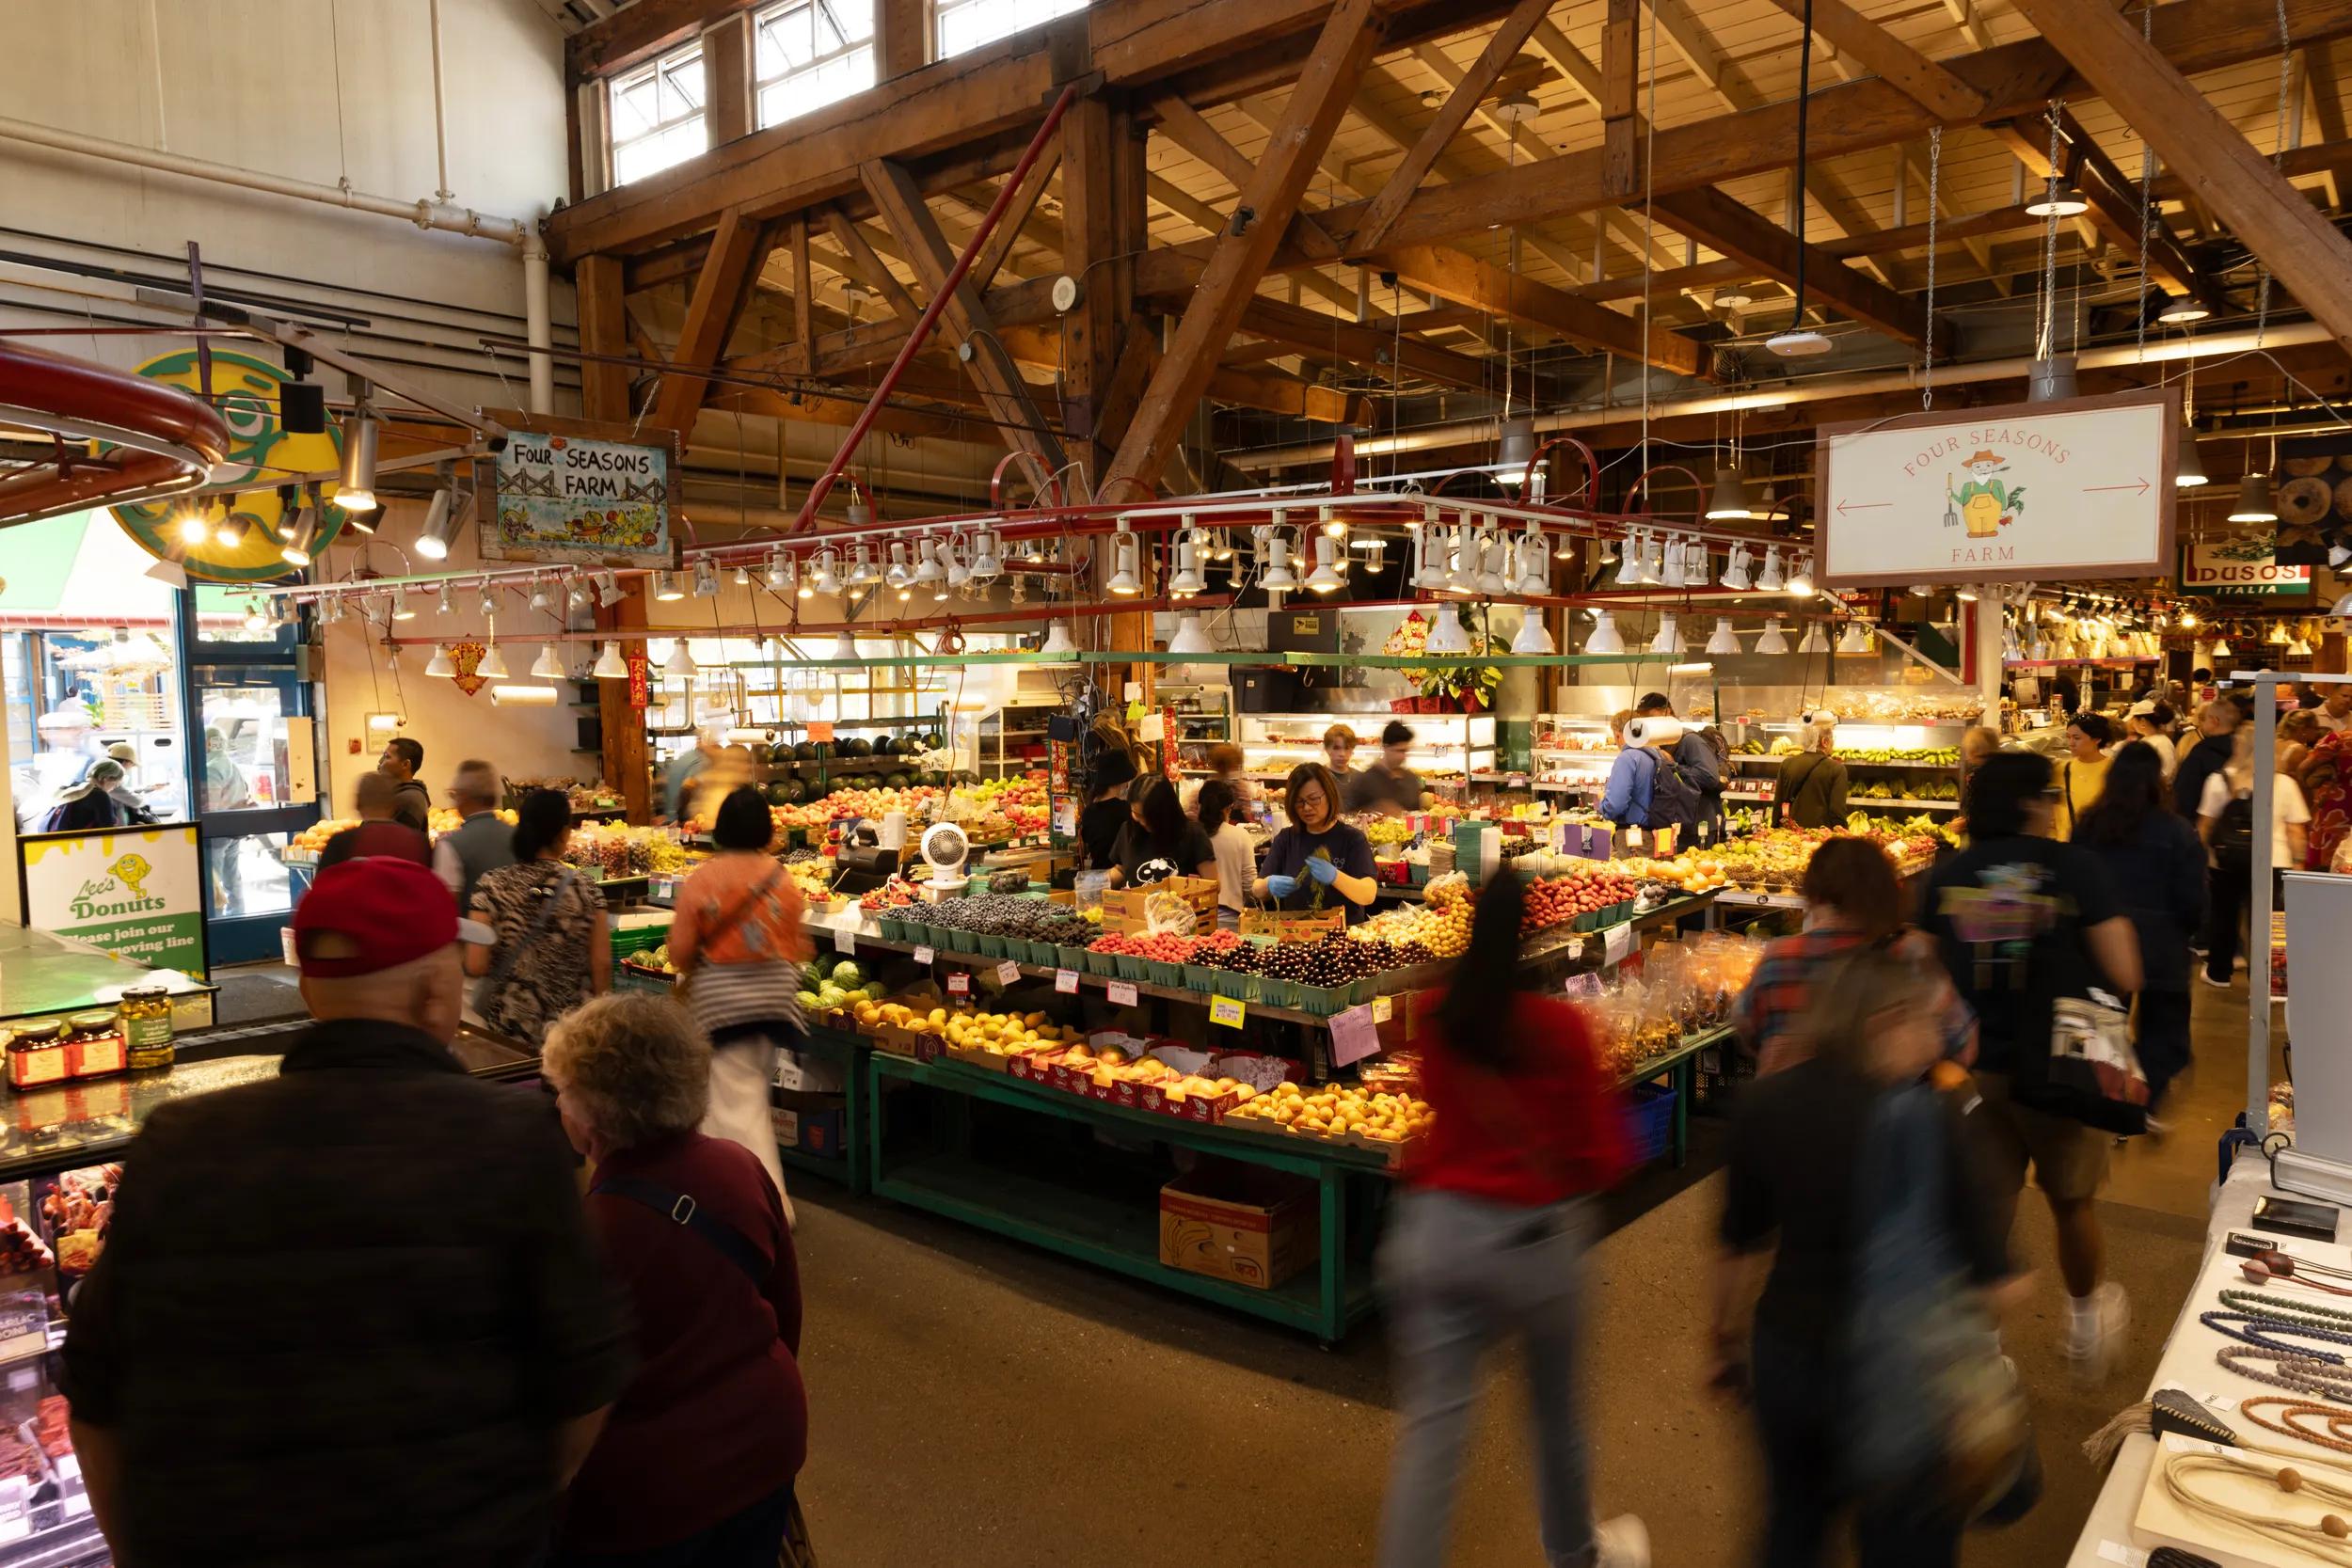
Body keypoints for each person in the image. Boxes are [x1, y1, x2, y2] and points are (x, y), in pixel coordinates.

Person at [59, 857, 630, 1568]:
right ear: (434, 994)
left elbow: (95, 1398)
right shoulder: (513, 1143)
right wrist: (501, 1511)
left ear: (307, 988)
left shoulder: (178, 1144)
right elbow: (584, 1382)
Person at [1713, 947, 2017, 1568]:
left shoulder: (1766, 1103)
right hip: (1904, 1368)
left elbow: (1736, 1243)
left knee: (1792, 1526)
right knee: (1907, 1543)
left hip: (1789, 1353)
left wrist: (1723, 1338)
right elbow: (2000, 1282)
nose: (1936, 1039)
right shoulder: (1935, 1115)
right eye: (1925, 1022)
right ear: (1885, 1020)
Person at [1377, 872, 1646, 1568]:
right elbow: (1606, 1153)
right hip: (1532, 1244)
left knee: (1433, 1436)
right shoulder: (1562, 1028)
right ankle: (1576, 1553)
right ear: (1536, 937)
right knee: (1555, 1418)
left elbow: (1430, 1111)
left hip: (1435, 1236)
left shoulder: (1439, 1015)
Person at [541, 996, 806, 1568]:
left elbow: (574, 1391)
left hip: (653, 1498)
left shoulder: (589, 1232)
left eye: (562, 1090)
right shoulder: (739, 1166)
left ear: (591, 1114)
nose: (558, 1103)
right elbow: (786, 1311)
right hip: (767, 1444)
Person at [1918, 752, 2141, 1378]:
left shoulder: (1947, 872)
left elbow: (1926, 976)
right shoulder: (2076, 868)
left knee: (1988, 1208)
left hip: (1972, 1068)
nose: (2053, 805)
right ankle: (2084, 1325)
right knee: (2072, 1202)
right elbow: (2125, 971)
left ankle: (1986, 1357)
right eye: (2048, 794)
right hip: (2065, 1060)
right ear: (2030, 803)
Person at [667, 785, 812, 1221]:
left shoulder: (706, 878)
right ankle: (732, 1197)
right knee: (746, 1098)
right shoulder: (781, 877)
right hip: (776, 1000)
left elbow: (679, 951)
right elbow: (800, 944)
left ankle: (765, 1207)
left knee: (734, 1106)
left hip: (723, 1004)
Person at [1733, 835, 1975, 1076]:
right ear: (1885, 896)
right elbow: (1963, 1039)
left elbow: (1747, 1027)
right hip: (1878, 1110)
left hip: (1786, 1108)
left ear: (1814, 895)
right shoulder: (1906, 957)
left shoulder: (1779, 959)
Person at [2072, 741, 2204, 1108]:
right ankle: (2148, 1099)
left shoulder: (2089, 825)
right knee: (2163, 1027)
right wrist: (2186, 931)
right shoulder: (2177, 831)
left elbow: (2075, 884)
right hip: (2162, 945)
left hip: (2101, 942)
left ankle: (2109, 1100)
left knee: (2104, 1022)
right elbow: (2192, 896)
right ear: (2156, 781)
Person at [467, 788, 611, 1047]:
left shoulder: (490, 885)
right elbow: (601, 964)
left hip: (509, 1028)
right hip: (570, 1032)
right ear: (564, 833)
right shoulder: (587, 889)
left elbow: (476, 964)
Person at [2198, 726, 2312, 988]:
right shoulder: (2284, 783)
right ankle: (2267, 980)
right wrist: (2298, 864)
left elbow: (2206, 824)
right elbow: (2296, 830)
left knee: (2224, 917)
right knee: (2269, 923)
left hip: (2226, 861)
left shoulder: (2219, 780)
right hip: (2274, 860)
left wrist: (2204, 857)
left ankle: (2219, 972)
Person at [1255, 761, 1378, 924]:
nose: (1306, 808)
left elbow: (1368, 894)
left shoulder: (1352, 839)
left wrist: (1336, 876)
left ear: (1329, 795)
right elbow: (1257, 889)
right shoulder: (1286, 839)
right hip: (1295, 936)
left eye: (1313, 799)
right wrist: (1268, 885)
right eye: (1299, 802)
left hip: (1342, 940)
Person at [434, 759, 516, 916]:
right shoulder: (518, 836)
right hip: (517, 934)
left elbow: (444, 907)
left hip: (473, 936)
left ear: (463, 797)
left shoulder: (451, 845)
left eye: (453, 794)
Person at [1633, 692, 1724, 833]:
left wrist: (1674, 766)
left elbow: (1710, 777)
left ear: (1666, 712)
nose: (1645, 721)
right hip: (1675, 823)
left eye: (1649, 715)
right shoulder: (1658, 741)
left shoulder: (1690, 740)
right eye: (1642, 717)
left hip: (1698, 827)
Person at [1109, 777, 1217, 888]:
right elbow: (1121, 870)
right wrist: (1101, 881)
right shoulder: (1128, 830)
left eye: (1151, 816)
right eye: (1137, 814)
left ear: (1168, 811)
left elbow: (1213, 886)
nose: (1144, 822)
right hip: (1133, 904)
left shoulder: (1193, 834)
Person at [319, 770, 433, 869]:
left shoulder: (340, 843)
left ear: (358, 804)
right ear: (395, 805)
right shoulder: (419, 842)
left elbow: (322, 888)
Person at [1771, 711, 1849, 830]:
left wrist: (1774, 830)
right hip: (1820, 837)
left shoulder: (1787, 764)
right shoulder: (1837, 769)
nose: (1833, 742)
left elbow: (1778, 805)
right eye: (1832, 738)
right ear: (1824, 742)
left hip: (1790, 835)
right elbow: (1837, 812)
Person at [1197, 779, 1255, 927]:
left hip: (1195, 917)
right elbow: (1250, 885)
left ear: (1200, 806)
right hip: (1231, 918)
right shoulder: (1240, 835)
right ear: (1229, 808)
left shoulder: (1191, 834)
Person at [2172, 698, 2241, 819]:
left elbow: (2184, 794)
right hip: (2235, 824)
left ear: (2215, 721)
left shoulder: (2202, 751)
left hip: (2203, 823)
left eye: (2205, 719)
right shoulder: (2246, 750)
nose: (2202, 723)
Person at [1076, 751, 1141, 875]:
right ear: (1121, 781)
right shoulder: (1126, 810)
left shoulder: (1088, 811)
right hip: (1120, 877)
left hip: (1097, 877)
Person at [2051, 711, 2113, 841]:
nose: (2071, 743)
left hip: (2100, 846)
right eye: (2068, 737)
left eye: (2077, 738)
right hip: (2066, 847)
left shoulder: (2113, 770)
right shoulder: (2062, 769)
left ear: (2097, 739)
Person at [1344, 721, 1425, 816]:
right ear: (1385, 747)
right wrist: (1372, 811)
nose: (1403, 756)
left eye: (1405, 751)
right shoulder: (1364, 780)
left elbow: (1418, 817)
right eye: (1399, 751)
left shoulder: (1410, 779)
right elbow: (1348, 816)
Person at [36, 758, 125, 833]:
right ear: (107, 778)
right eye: (116, 785)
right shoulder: (99, 795)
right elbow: (108, 829)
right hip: (81, 846)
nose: (113, 788)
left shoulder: (72, 788)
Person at [661, 729, 722, 825]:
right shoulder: (701, 761)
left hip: (671, 816)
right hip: (683, 821)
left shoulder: (687, 756)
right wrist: (682, 819)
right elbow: (687, 788)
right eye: (715, 746)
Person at [1179, 742, 1253, 815]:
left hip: (1209, 826)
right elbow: (1248, 815)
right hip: (1231, 826)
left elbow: (1192, 813)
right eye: (1235, 766)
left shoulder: (1202, 789)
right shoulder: (1239, 788)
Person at [378, 736, 430, 833]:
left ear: (405, 764)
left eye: (387, 756)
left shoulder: (409, 799)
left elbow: (397, 842)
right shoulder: (403, 793)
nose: (380, 762)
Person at [100, 743, 159, 824]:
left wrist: (149, 788)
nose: (131, 767)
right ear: (125, 762)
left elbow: (124, 792)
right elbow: (136, 801)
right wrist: (145, 800)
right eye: (133, 764)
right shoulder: (111, 779)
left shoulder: (105, 775)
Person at [2124, 701, 2178, 779]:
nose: (2132, 723)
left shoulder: (2163, 743)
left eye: (2133, 720)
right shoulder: (2146, 739)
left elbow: (2167, 773)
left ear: (2142, 721)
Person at [2279, 709, 2324, 781]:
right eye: (2315, 728)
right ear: (2302, 729)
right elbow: (2302, 782)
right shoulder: (2298, 749)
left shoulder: (2277, 742)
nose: (2317, 732)